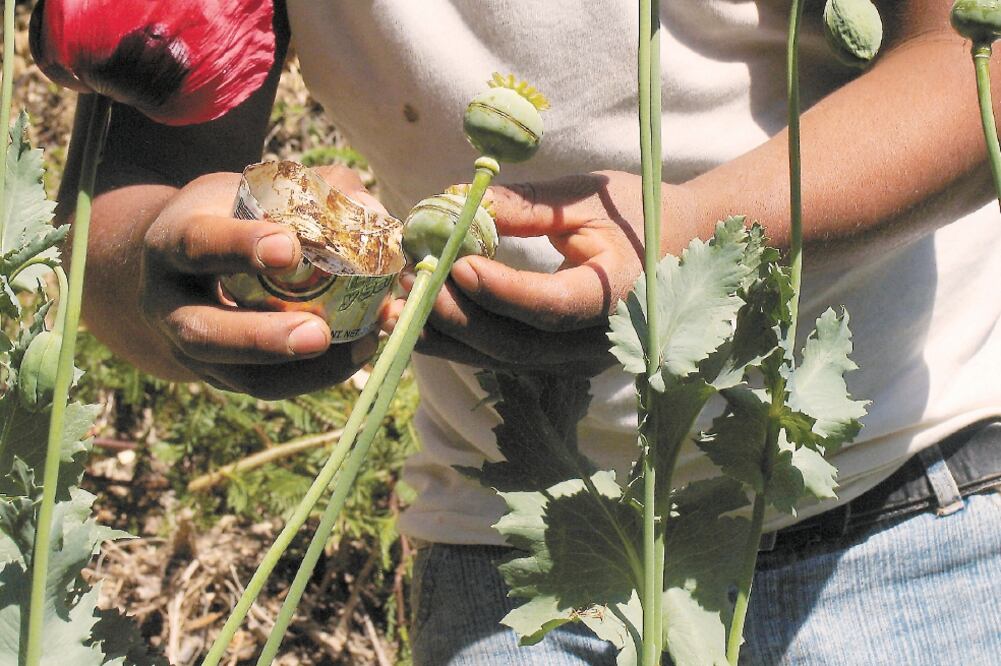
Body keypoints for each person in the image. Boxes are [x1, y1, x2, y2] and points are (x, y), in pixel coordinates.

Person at [60, 0, 1001, 663]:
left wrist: (697, 236)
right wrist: (168, 283)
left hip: (901, 509)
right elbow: (125, 200)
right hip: (514, 552)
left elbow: (978, 61)